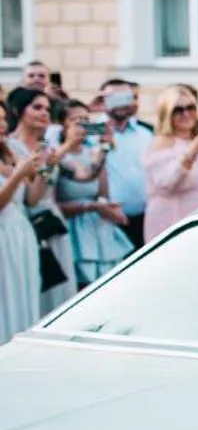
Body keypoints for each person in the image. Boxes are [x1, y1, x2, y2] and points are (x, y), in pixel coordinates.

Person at [7, 87, 72, 313]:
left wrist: (50, 165)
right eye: (37, 107)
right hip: (26, 224)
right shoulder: (11, 147)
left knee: (58, 294)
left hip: (49, 222)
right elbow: (28, 201)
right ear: (18, 111)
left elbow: (35, 195)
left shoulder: (47, 147)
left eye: (47, 108)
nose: (45, 113)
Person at [54, 102, 133, 287]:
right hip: (71, 227)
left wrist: (104, 147)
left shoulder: (92, 153)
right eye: (75, 120)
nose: (82, 125)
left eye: (86, 120)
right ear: (63, 124)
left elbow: (101, 191)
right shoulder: (56, 155)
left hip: (96, 226)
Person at [142, 85, 198, 242]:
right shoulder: (161, 144)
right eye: (178, 110)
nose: (186, 114)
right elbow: (166, 183)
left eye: (190, 108)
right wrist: (191, 153)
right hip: (172, 221)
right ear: (167, 114)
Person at [0, 102, 50, 343]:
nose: (1, 125)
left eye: (2, 119)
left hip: (20, 231)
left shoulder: (11, 150)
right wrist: (19, 173)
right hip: (2, 231)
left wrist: (43, 172)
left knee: (23, 291)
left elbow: (31, 199)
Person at [97, 79, 152, 250]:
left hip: (145, 218)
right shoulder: (92, 133)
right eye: (114, 97)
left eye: (125, 97)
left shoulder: (146, 133)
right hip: (108, 219)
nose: (121, 103)